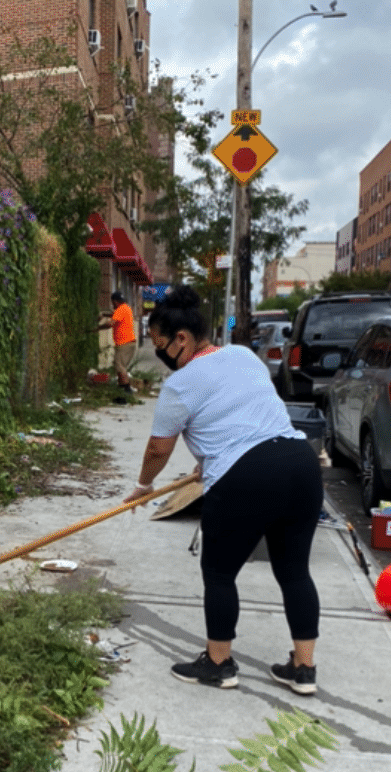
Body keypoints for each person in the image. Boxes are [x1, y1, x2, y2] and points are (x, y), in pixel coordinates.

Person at [122, 284, 322, 695]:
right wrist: (210, 457)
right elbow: (241, 412)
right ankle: (303, 670)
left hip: (245, 479)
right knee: (294, 571)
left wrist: (144, 485)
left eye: (160, 345)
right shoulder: (243, 355)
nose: (159, 356)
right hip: (300, 465)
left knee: (219, 573)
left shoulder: (180, 384)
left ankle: (219, 663)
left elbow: (159, 447)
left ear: (182, 339)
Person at [110, 290, 137, 395]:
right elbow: (114, 316)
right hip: (129, 342)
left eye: (113, 302)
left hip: (124, 343)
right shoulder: (126, 308)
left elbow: (111, 323)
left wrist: (97, 328)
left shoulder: (120, 309)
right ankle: (121, 388)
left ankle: (126, 389)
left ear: (115, 302)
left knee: (119, 365)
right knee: (121, 366)